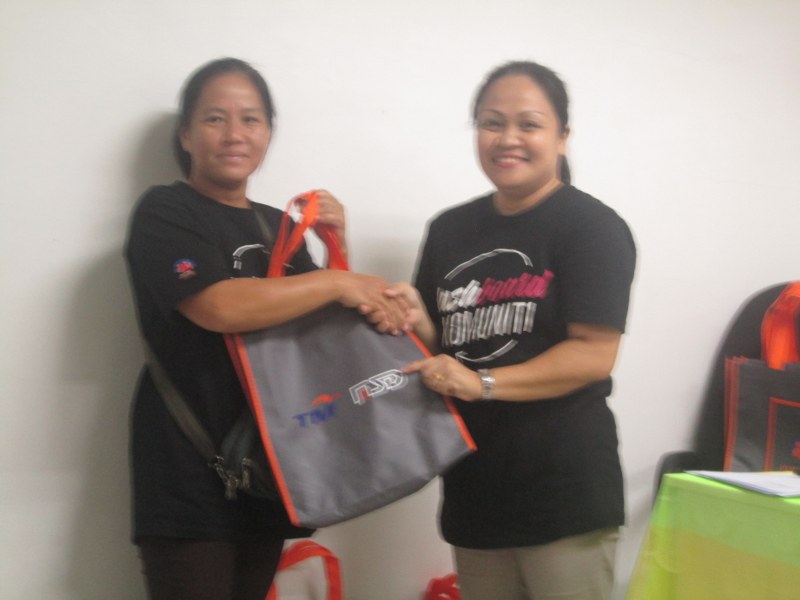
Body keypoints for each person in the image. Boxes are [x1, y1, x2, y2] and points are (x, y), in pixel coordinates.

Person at [124, 57, 406, 600]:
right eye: (215, 118)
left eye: (251, 119)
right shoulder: (165, 211)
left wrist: (337, 251)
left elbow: (321, 337)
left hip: (271, 465)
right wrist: (335, 282)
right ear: (186, 134)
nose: (235, 133)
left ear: (268, 133)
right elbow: (217, 306)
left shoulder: (277, 226)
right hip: (186, 470)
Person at [391, 61, 636, 599]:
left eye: (529, 124)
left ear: (562, 136)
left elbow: (594, 353)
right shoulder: (449, 229)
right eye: (492, 122)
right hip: (474, 484)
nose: (508, 139)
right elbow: (449, 349)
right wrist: (418, 320)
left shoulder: (591, 228)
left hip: (563, 490)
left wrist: (481, 384)